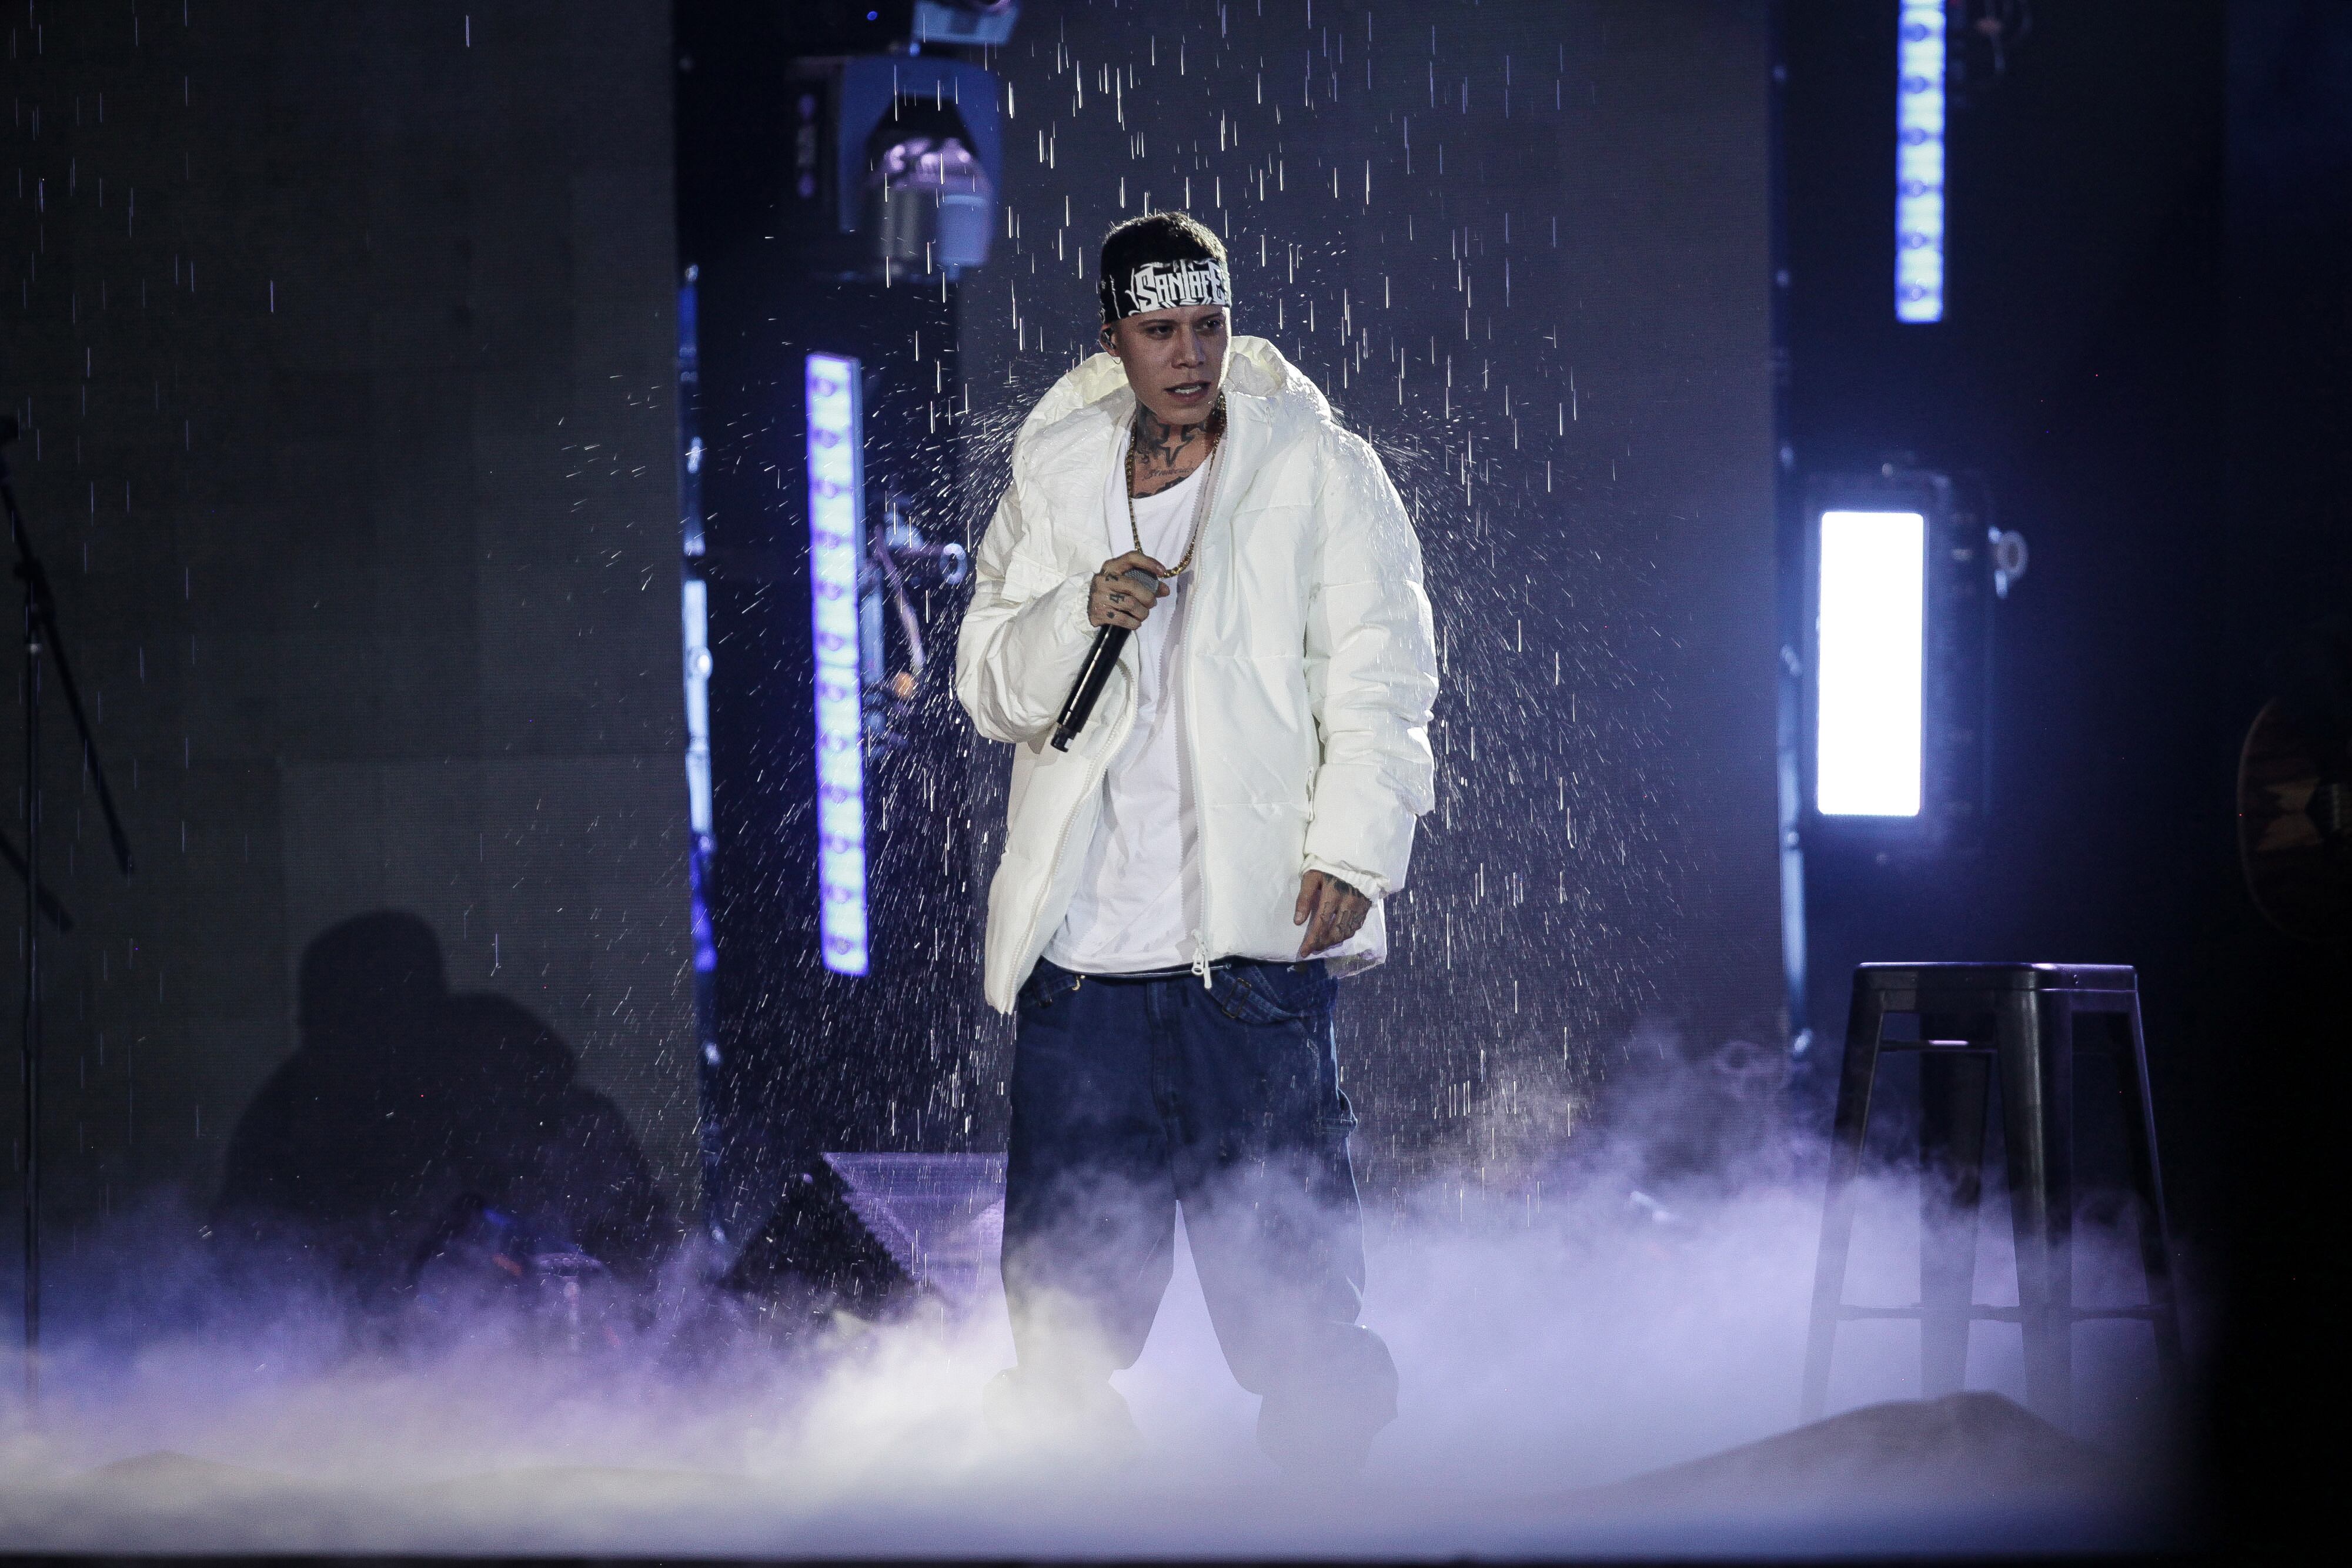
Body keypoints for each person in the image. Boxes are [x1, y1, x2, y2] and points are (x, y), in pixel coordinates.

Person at [954, 211, 1439, 1473]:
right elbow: (988, 686)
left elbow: (1382, 677)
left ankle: (1330, 1523)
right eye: (1159, 328)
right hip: (1082, 957)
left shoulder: (1318, 467)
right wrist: (1077, 610)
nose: (1188, 353)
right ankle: (1069, 1523)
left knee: (1298, 1303)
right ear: (1111, 335)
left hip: (1250, 949)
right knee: (1062, 1314)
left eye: (1208, 325)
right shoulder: (1054, 477)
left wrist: (1355, 848)